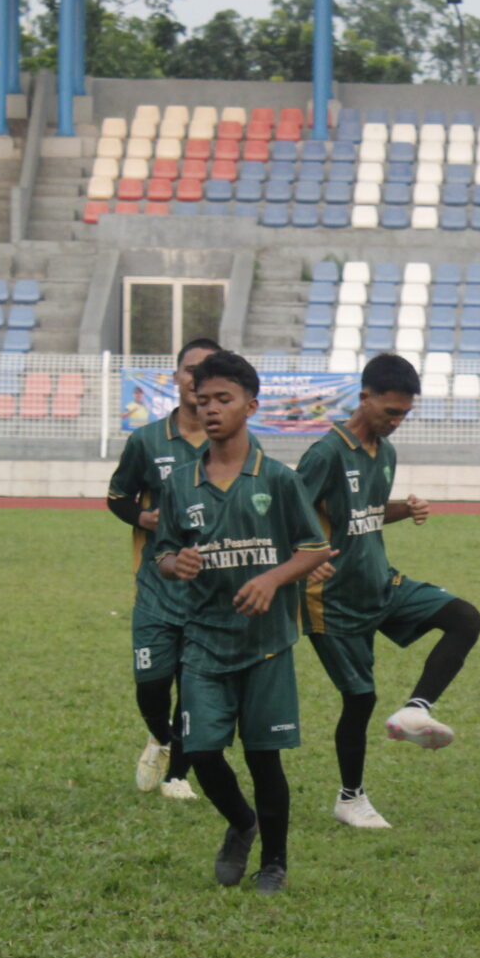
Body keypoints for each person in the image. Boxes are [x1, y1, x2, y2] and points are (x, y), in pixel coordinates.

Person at [152, 351, 331, 891]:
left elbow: (315, 548)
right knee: (202, 753)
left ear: (250, 406)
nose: (210, 409)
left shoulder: (276, 479)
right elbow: (162, 552)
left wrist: (273, 579)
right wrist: (174, 562)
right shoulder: (180, 483)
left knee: (264, 759)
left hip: (267, 644)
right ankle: (241, 822)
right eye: (202, 400)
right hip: (204, 642)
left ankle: (274, 861)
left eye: (223, 400)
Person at [293, 353, 480, 829]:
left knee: (465, 618)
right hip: (333, 601)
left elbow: (365, 514)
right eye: (390, 412)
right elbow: (284, 515)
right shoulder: (326, 453)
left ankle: (417, 710)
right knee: (359, 700)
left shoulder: (386, 453)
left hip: (381, 582)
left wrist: (405, 508)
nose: (397, 422)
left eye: (404, 414)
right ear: (364, 398)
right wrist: (300, 567)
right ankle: (350, 798)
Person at [108, 338, 219, 801]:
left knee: (195, 687)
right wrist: (144, 518)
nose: (197, 379)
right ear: (176, 377)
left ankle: (179, 776)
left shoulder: (228, 443)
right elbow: (118, 497)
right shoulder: (147, 440)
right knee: (152, 685)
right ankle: (161, 736)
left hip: (210, 590)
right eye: (190, 369)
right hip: (156, 587)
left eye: (207, 371)